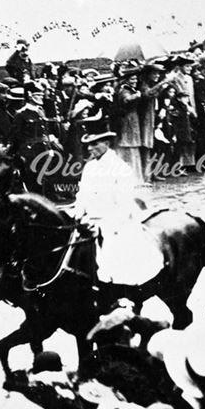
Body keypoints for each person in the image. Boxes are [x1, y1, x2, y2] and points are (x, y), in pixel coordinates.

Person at [69, 116, 159, 287]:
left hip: (115, 222)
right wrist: (78, 215)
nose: (90, 148)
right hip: (90, 220)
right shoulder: (89, 167)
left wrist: (107, 223)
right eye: (89, 144)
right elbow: (83, 194)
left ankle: (115, 289)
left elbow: (125, 203)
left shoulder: (121, 168)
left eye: (94, 144)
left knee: (112, 251)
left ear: (107, 144)